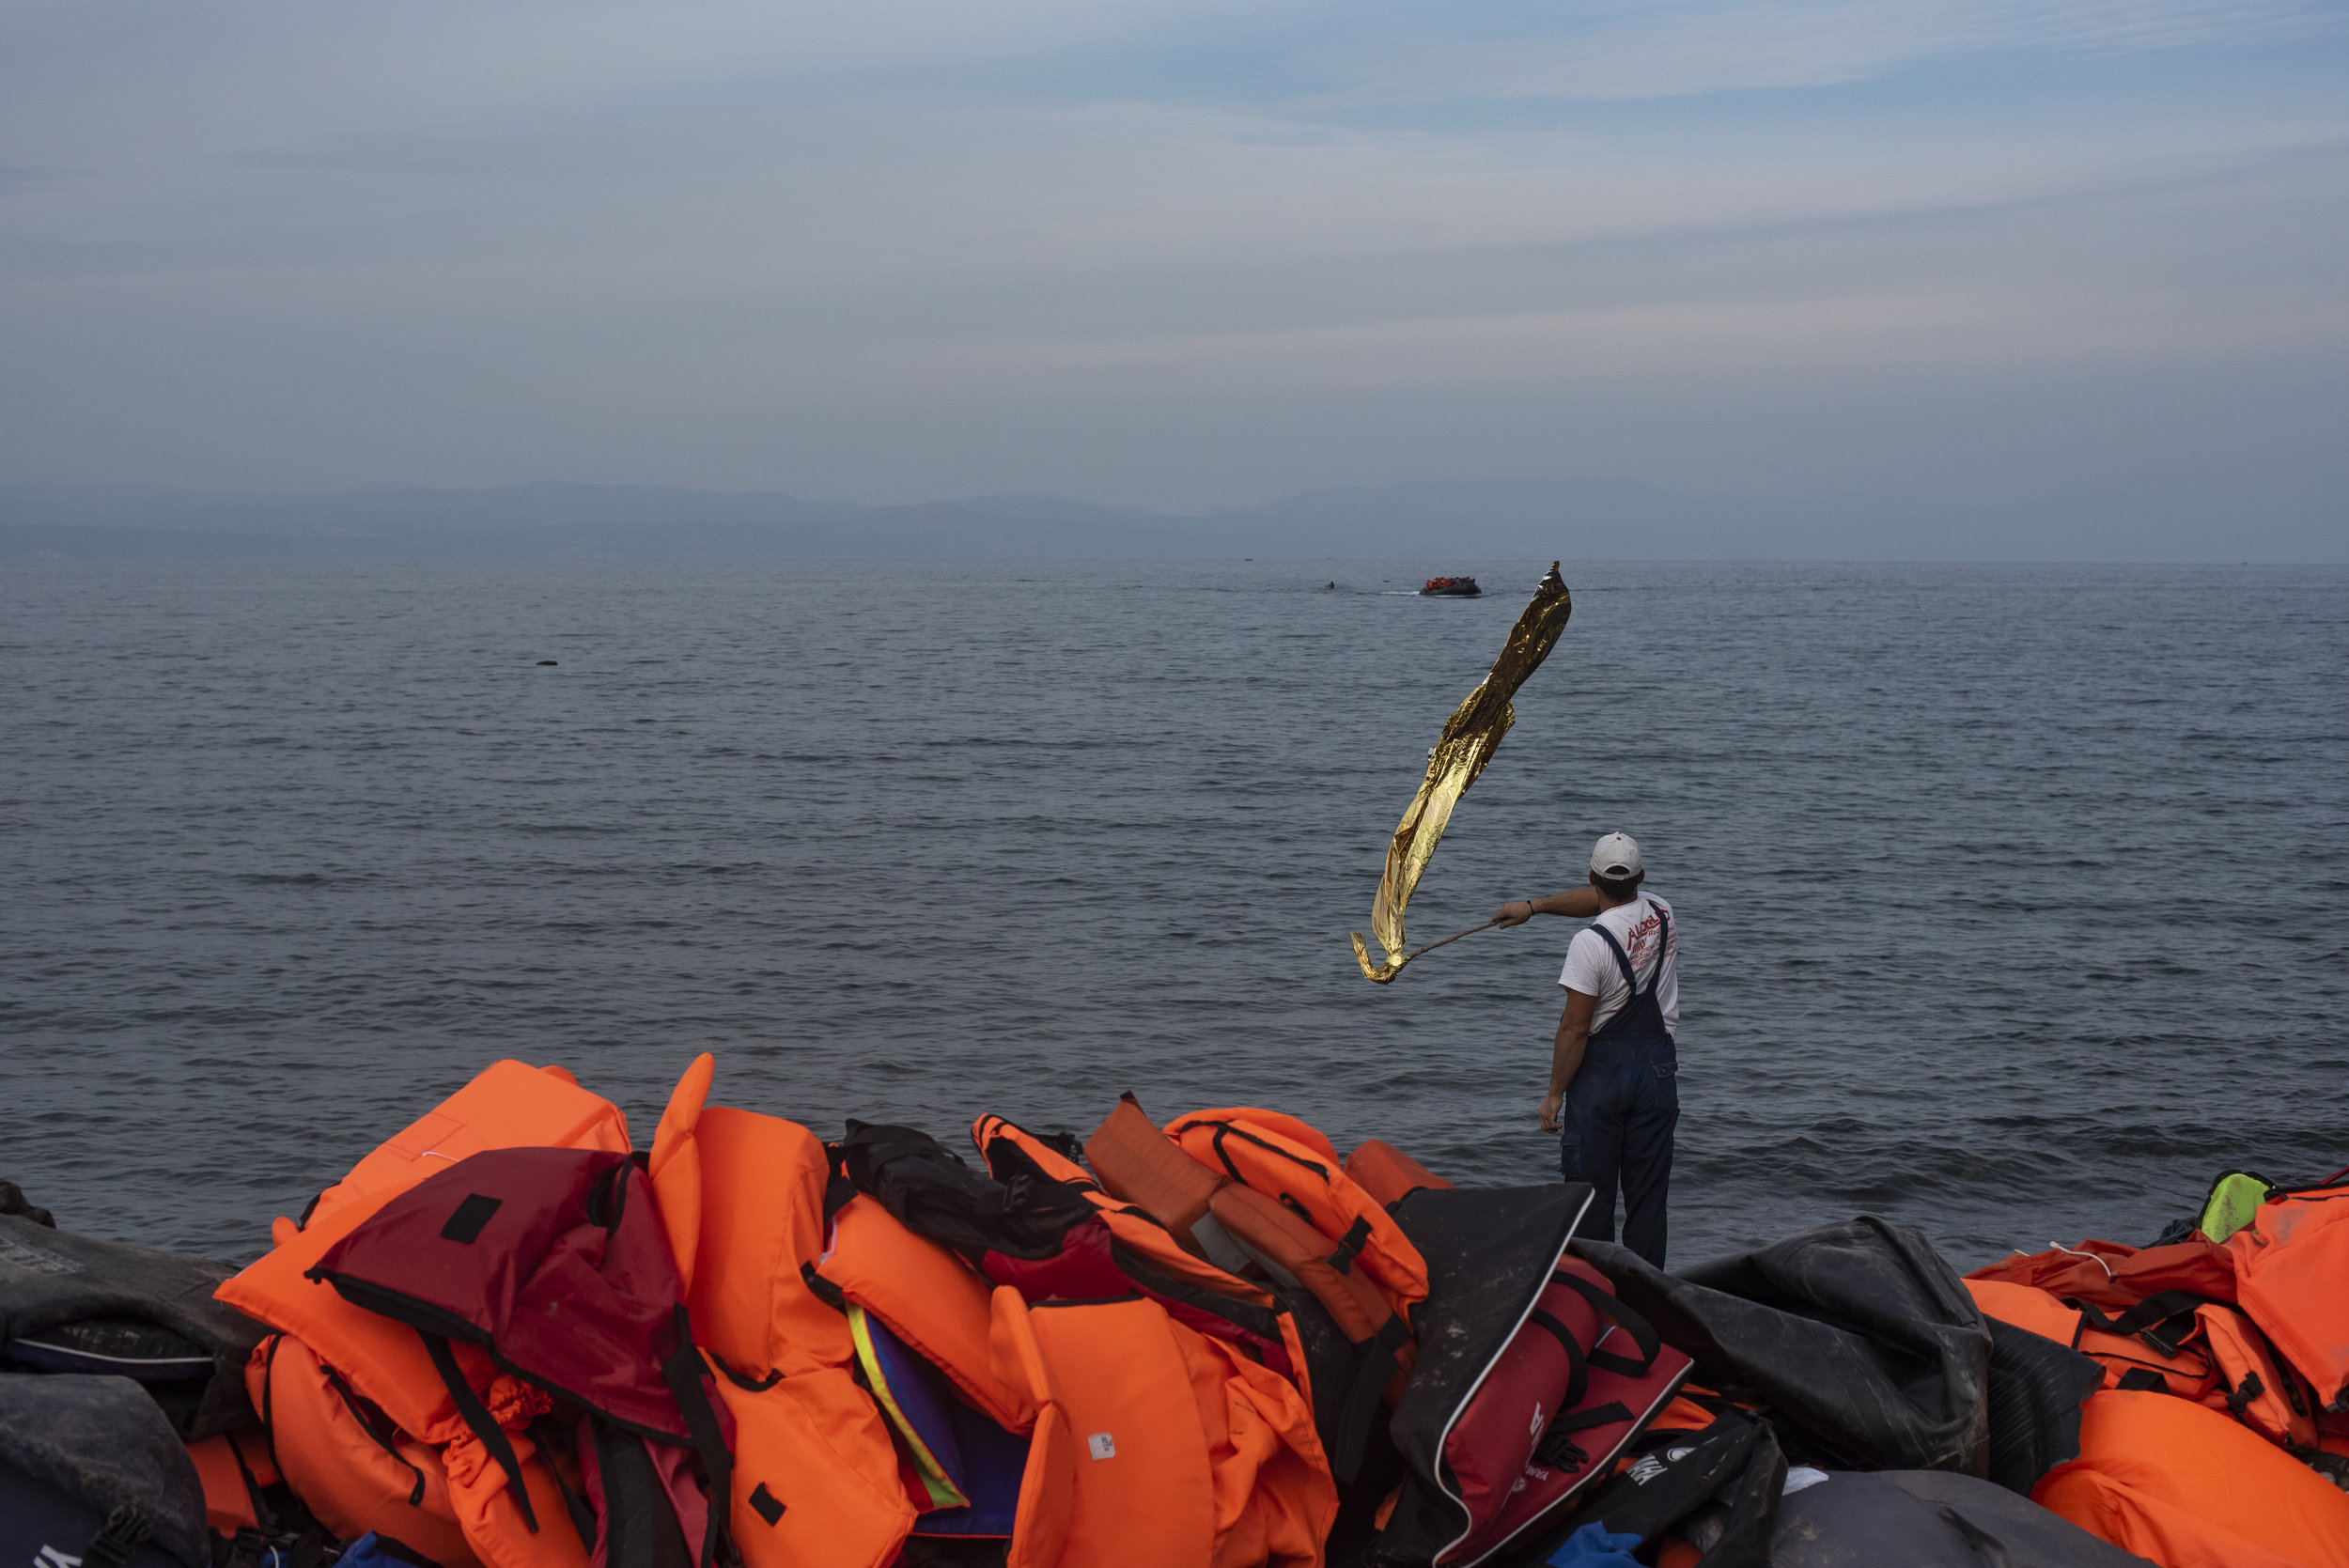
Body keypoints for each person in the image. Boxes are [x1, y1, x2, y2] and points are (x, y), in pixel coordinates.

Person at [1493, 831, 1679, 1266]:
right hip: (1657, 1071)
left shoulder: (1589, 944)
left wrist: (1554, 1093)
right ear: (1642, 877)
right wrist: (1533, 908)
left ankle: (1595, 1296)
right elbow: (1597, 901)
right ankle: (1649, 1296)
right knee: (1648, 1199)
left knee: (1590, 1198)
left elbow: (1575, 1030)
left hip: (1602, 1077)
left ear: (1592, 875)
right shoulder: (1663, 911)